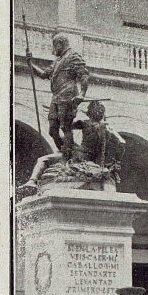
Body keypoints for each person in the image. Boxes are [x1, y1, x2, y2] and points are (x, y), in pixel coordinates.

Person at [24, 33, 89, 187]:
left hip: (68, 96)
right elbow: (44, 74)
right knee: (52, 129)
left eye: (54, 46)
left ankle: (66, 159)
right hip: (56, 97)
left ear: (60, 44)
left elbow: (84, 76)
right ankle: (67, 151)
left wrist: (82, 94)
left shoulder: (74, 56)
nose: (53, 50)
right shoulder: (57, 61)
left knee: (65, 127)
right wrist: (30, 63)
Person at [72, 100, 125, 165]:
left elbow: (67, 127)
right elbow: (121, 144)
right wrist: (117, 161)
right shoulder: (106, 127)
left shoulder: (85, 123)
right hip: (96, 157)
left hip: (86, 154)